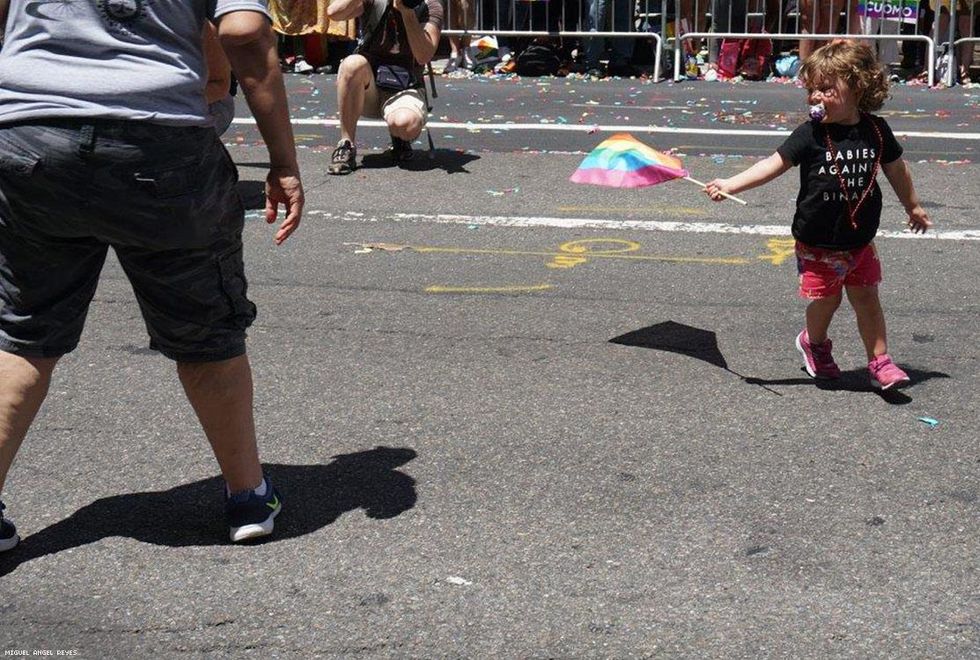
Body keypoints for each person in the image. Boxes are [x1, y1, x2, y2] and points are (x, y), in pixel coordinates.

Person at [0, 0, 304, 551]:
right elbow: (244, 32)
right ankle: (248, 496)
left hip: (31, 134)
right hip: (158, 137)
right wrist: (283, 162)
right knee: (207, 332)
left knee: (24, 331)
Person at [703, 40, 932, 390]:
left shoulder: (876, 130)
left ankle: (880, 361)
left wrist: (912, 206)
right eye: (812, 90)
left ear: (857, 87)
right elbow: (772, 164)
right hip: (818, 242)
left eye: (826, 89)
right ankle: (814, 342)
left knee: (867, 299)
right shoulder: (809, 134)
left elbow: (896, 170)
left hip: (860, 240)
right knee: (827, 300)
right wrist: (731, 184)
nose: (816, 97)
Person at [326, 0, 443, 173]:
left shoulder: (429, 5)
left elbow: (423, 56)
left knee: (405, 124)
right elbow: (334, 13)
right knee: (351, 64)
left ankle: (399, 137)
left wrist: (407, 12)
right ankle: (346, 143)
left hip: (405, 86)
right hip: (369, 88)